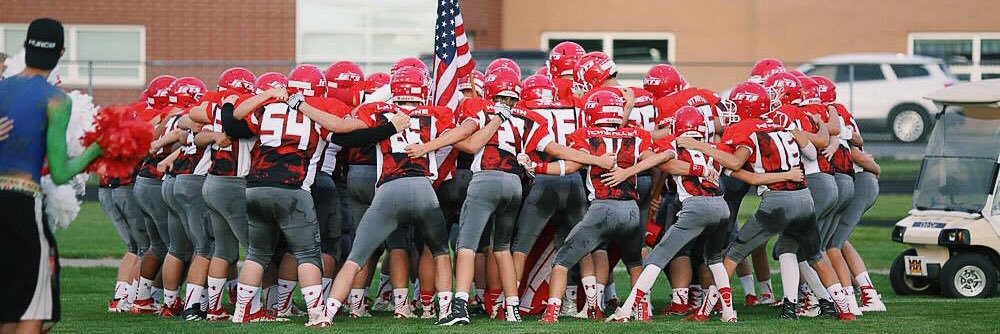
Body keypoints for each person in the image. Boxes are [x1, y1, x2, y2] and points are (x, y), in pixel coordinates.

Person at [677, 82, 855, 321]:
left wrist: (699, 146)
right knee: (816, 255)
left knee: (733, 254)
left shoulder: (746, 128)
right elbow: (811, 152)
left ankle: (706, 310)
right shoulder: (781, 124)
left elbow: (736, 162)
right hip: (804, 197)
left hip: (777, 202)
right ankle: (844, 310)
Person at [0, 18, 103, 333]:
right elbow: (60, 173)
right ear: (61, 52)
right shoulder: (57, 100)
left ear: (25, 48)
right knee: (35, 307)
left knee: (6, 304)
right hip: (23, 203)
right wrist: (95, 150)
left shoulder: (2, 87)